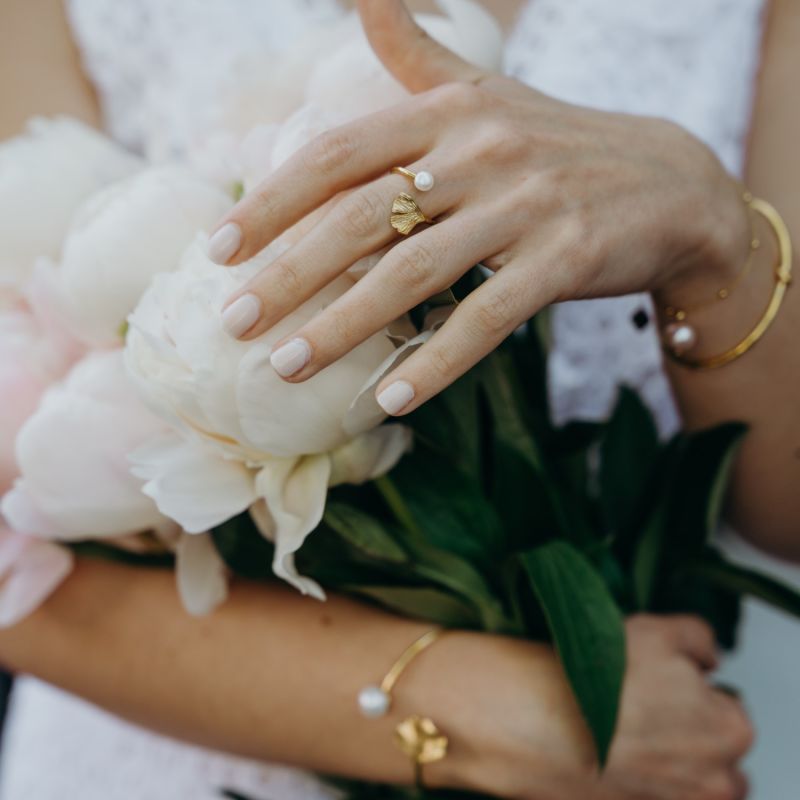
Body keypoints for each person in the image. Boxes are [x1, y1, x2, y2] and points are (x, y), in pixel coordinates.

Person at [1, 0, 794, 797]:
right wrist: (465, 709)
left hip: (645, 727)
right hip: (158, 751)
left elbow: (785, 518)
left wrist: (714, 234)